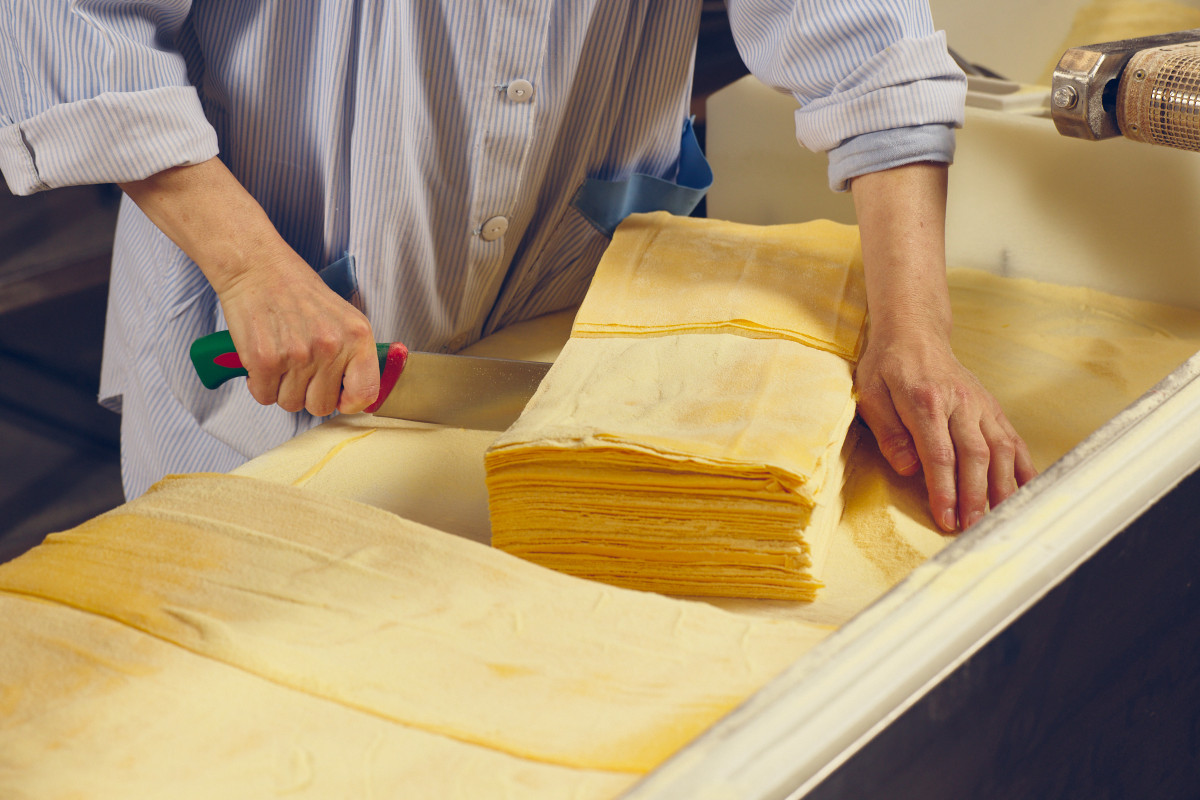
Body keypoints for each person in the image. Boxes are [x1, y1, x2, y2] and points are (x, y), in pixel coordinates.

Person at [0, 1, 1035, 531]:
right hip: (266, 335)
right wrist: (255, 268)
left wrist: (914, 335)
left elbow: (866, 44)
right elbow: (64, 24)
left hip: (555, 355)